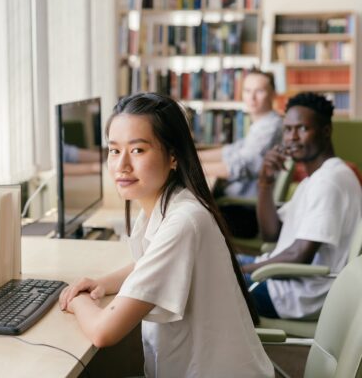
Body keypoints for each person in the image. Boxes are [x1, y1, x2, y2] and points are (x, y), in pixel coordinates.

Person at [59, 93, 274, 377]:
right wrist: (102, 283)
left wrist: (75, 298)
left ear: (173, 156)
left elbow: (103, 332)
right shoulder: (167, 204)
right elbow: (152, 262)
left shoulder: (184, 221)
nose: (122, 165)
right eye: (114, 150)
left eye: (137, 150)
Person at [240, 92, 362, 320]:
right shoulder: (313, 179)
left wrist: (240, 273)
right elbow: (271, 234)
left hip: (297, 294)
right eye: (287, 129)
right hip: (283, 280)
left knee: (205, 280)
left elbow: (299, 255)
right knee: (209, 261)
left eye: (302, 129)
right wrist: (265, 182)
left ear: (326, 132)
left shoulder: (329, 181)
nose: (292, 138)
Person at [198, 68, 283, 238]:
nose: (251, 97)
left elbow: (239, 166)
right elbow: (232, 152)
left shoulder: (270, 127)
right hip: (240, 203)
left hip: (248, 211)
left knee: (190, 218)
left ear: (273, 94)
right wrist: (194, 156)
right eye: (247, 91)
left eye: (259, 91)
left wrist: (190, 166)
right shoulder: (261, 124)